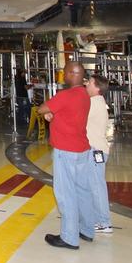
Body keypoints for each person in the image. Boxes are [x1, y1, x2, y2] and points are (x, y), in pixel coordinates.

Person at [36, 61, 96, 250]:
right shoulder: (84, 95)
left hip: (66, 151)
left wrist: (49, 112)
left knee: (65, 193)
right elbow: (68, 114)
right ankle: (87, 229)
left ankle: (69, 237)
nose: (63, 75)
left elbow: (41, 108)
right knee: (82, 190)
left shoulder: (65, 95)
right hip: (82, 149)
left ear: (72, 73)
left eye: (65, 72)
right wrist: (53, 116)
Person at [86, 75, 113, 235]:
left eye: (89, 82)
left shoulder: (93, 103)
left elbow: (76, 118)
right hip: (96, 149)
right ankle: (98, 219)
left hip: (95, 149)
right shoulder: (98, 102)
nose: (86, 84)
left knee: (97, 187)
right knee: (93, 186)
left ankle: (104, 222)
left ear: (97, 87)